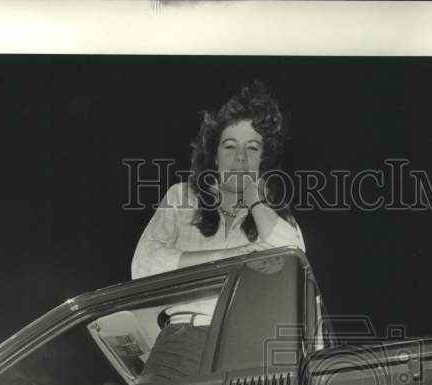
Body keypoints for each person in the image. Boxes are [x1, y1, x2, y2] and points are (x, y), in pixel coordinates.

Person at [131, 81, 305, 280]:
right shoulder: (181, 197)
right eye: (230, 146)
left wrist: (256, 199)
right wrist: (234, 257)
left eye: (252, 147)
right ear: (215, 156)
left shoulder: (274, 212)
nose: (241, 156)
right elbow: (142, 264)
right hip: (184, 313)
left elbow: (295, 263)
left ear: (263, 160)